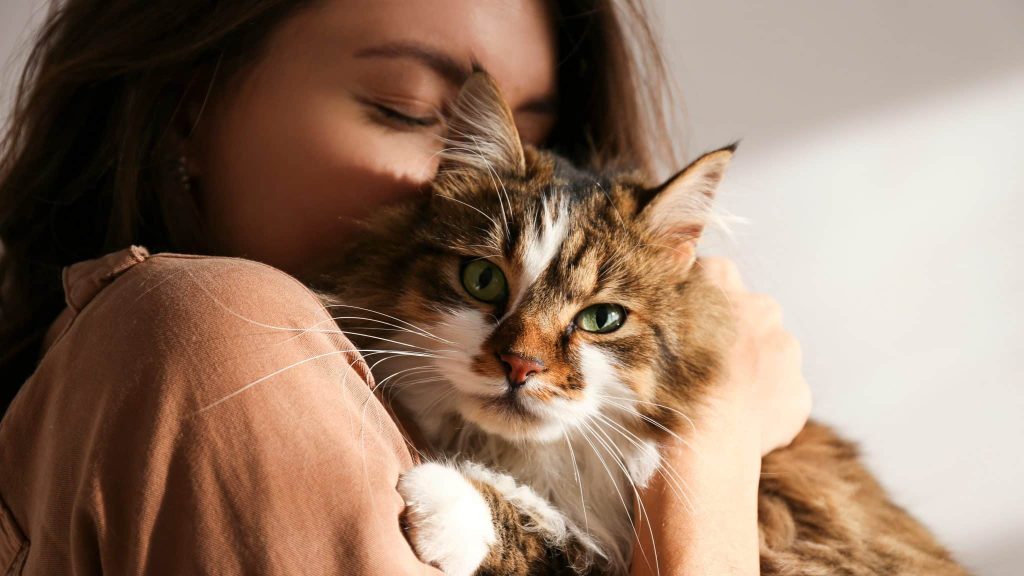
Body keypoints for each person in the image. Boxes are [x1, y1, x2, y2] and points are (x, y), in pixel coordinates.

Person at [0, 0, 811, 574]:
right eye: (411, 109)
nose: (475, 178)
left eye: (530, 137)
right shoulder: (221, 331)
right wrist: (713, 445)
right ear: (187, 109)